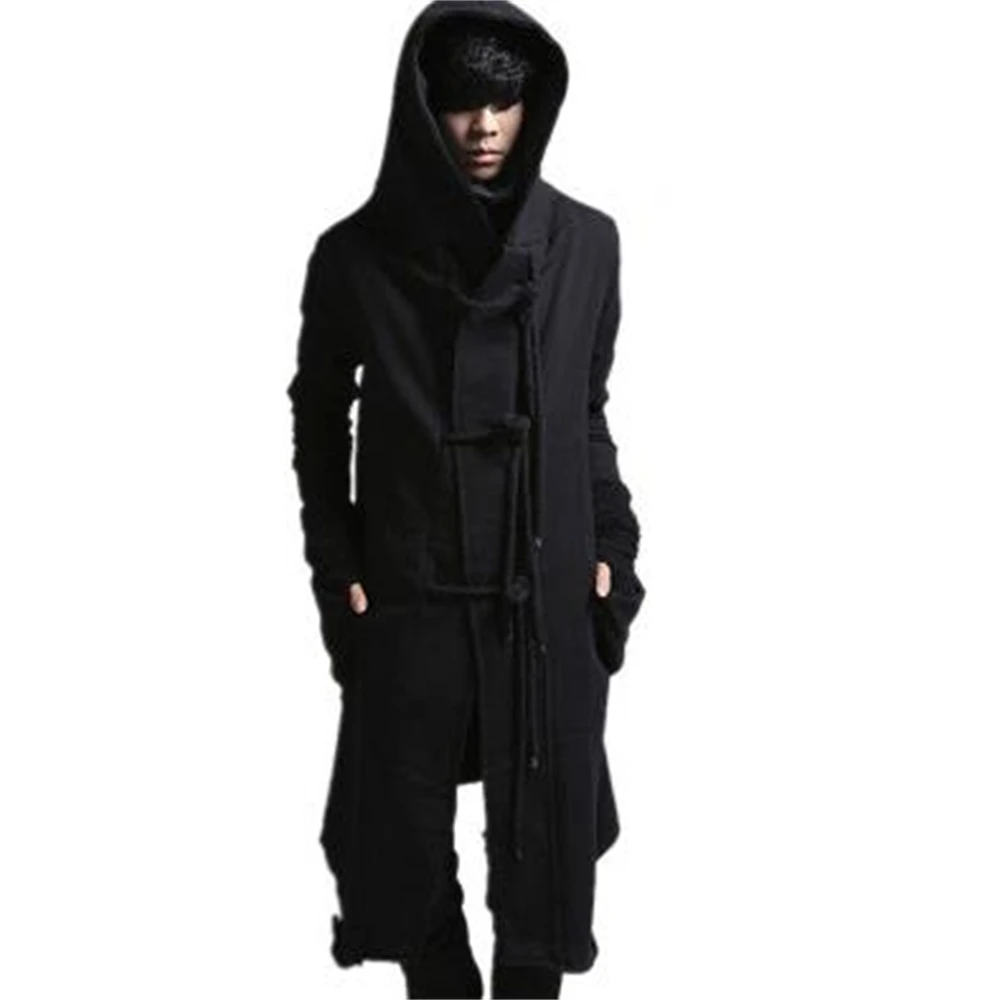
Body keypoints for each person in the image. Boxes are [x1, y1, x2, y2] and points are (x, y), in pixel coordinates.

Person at [286, 3, 646, 997]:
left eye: (504, 100)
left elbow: (584, 410)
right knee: (401, 852)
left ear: (535, 105)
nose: (484, 125)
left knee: (546, 866)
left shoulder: (588, 242)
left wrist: (612, 544)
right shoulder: (355, 255)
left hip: (548, 592)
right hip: (413, 593)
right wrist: (338, 568)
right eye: (459, 102)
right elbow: (316, 419)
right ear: (422, 109)